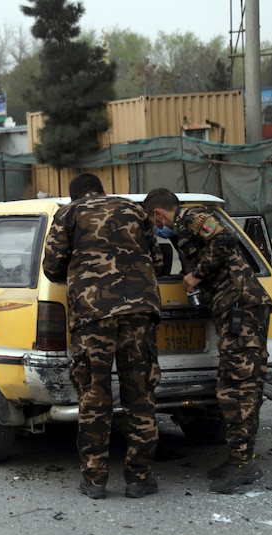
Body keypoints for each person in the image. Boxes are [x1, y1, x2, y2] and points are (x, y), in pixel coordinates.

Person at [143, 188, 272, 494]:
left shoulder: (190, 216)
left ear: (158, 214)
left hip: (241, 306)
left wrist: (198, 274)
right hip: (234, 308)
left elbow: (226, 238)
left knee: (237, 387)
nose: (154, 230)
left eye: (151, 224)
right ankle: (237, 460)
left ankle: (242, 464)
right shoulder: (179, 231)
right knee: (234, 385)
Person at [43, 173, 163, 500]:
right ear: (102, 191)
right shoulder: (134, 209)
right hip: (140, 312)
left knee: (95, 397)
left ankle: (95, 480)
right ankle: (139, 478)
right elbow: (160, 260)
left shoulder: (69, 214)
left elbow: (52, 267)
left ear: (74, 197)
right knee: (140, 394)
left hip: (92, 314)